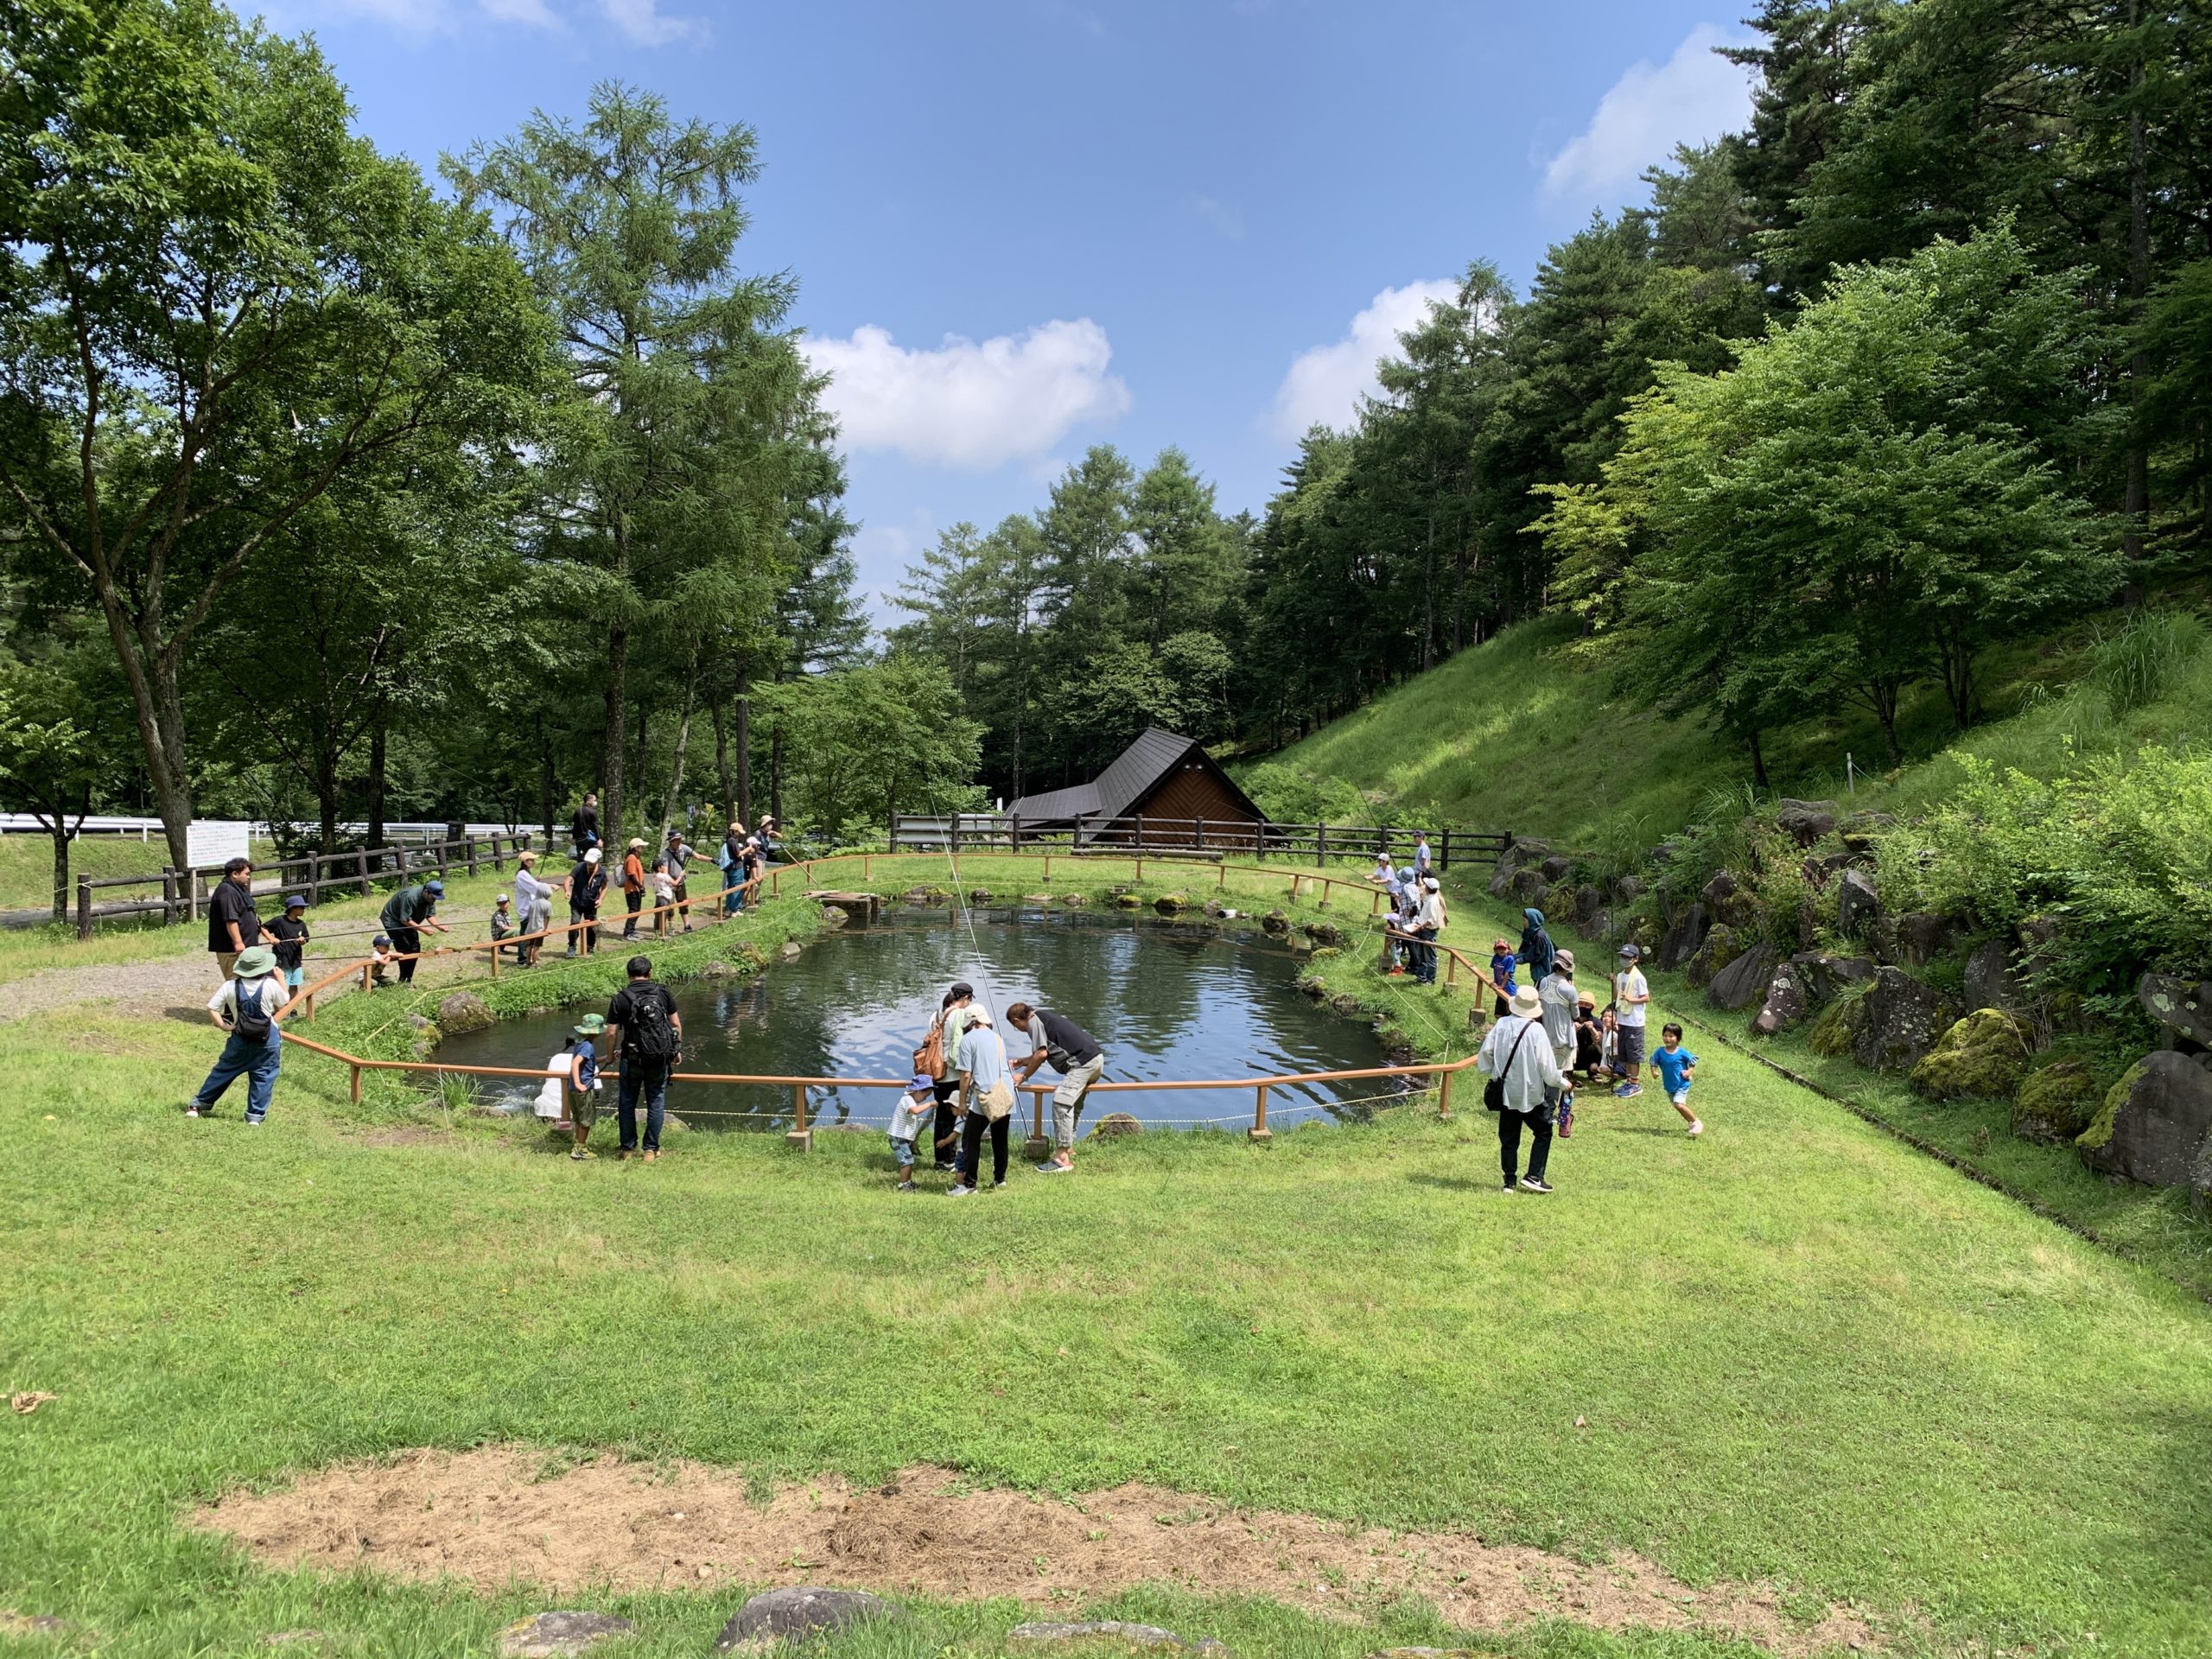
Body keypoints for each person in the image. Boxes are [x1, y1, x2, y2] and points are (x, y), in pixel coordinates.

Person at [1478, 983, 1567, 1195]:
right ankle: (1534, 1176)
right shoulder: (1536, 1030)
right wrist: (1561, 1082)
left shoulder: (1501, 1024)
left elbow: (1486, 1052)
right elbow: (1546, 1066)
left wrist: (1493, 1072)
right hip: (1529, 1091)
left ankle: (1509, 1181)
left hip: (1506, 1090)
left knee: (1509, 1137)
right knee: (1543, 1131)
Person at [185, 945, 287, 1123]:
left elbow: (212, 1007)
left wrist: (224, 1026)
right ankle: (254, 1117)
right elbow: (284, 1001)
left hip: (240, 1037)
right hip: (267, 1040)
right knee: (264, 1076)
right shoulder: (270, 984)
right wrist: (281, 979)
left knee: (223, 1071)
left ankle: (198, 1105)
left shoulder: (230, 986)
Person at [1005, 1001, 1105, 1173]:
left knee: (1061, 1102)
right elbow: (1045, 1052)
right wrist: (1022, 1061)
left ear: (1017, 1021)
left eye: (1015, 1027)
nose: (1018, 1029)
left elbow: (1041, 1054)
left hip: (1083, 1063)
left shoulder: (1033, 1022)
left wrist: (1023, 1076)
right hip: (1095, 1060)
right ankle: (1068, 1148)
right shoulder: (1043, 1017)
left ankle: (1062, 1159)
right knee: (1072, 1104)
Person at [605, 955, 683, 1162]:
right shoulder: (663, 992)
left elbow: (611, 1032)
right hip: (658, 1059)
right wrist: (675, 1050)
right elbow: (676, 1025)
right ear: (650, 973)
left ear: (628, 974)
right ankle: (650, 1150)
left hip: (631, 1059)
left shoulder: (620, 998)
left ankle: (627, 1150)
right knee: (655, 1102)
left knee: (627, 1103)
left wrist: (610, 1055)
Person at [950, 1008, 1014, 1195]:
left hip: (985, 1095)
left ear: (971, 1022)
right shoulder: (997, 1038)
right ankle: (1000, 1179)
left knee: (970, 1139)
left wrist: (962, 1102)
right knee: (1000, 1138)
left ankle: (969, 1185)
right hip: (1005, 1092)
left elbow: (966, 1075)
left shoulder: (968, 1039)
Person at [925, 982, 979, 1172]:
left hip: (936, 1072)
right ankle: (949, 1160)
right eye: (969, 1000)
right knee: (953, 1117)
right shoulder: (960, 1015)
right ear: (966, 998)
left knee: (941, 1115)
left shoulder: (936, 1015)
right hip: (952, 1074)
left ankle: (940, 1159)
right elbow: (962, 1044)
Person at [1537, 948, 1579, 1138]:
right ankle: (1550, 1112)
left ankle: (1540, 1107)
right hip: (1563, 1037)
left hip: (1544, 1034)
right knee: (1558, 1076)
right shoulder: (1569, 989)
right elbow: (1575, 1014)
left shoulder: (1543, 981)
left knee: (1544, 1072)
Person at [378, 877, 449, 985]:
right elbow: (405, 920)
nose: (434, 900)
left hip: (409, 921)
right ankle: (403, 981)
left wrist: (439, 926)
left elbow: (430, 915)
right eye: (433, 897)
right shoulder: (410, 897)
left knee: (415, 948)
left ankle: (408, 979)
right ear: (426, 892)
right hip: (393, 921)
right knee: (405, 950)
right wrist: (423, 929)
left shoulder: (430, 899)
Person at [207, 855, 262, 982]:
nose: (249, 877)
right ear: (235, 874)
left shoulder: (238, 890)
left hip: (245, 948)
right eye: (246, 874)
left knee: (249, 983)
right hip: (232, 951)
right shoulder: (227, 892)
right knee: (236, 983)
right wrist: (238, 942)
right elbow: (230, 919)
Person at [562, 1014, 606, 1159]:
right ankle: (580, 1149)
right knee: (586, 1120)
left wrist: (607, 1058)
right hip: (583, 1089)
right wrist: (579, 1083)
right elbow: (575, 1063)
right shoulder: (587, 1046)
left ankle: (578, 1145)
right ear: (595, 1032)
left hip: (573, 1089)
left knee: (578, 1119)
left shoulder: (580, 1043)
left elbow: (589, 1061)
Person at [1611, 944, 1652, 1098]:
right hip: (1623, 1019)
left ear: (1635, 959)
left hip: (1635, 1022)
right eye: (1623, 956)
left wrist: (1631, 999)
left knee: (1634, 1054)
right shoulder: (1621, 975)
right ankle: (1629, 1081)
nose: (1624, 959)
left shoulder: (1639, 978)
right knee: (1625, 1054)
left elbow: (1646, 997)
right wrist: (1613, 982)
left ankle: (1635, 1084)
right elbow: (1616, 996)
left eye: (1628, 957)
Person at [1652, 1023, 1704, 1136]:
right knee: (1679, 1106)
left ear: (1678, 1038)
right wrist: (1654, 1071)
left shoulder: (1682, 1052)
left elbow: (1692, 1062)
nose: (1667, 1038)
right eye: (1665, 1035)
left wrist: (1689, 1072)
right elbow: (1653, 1062)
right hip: (1670, 1086)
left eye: (1671, 1036)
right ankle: (1691, 1122)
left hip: (1682, 1083)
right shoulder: (1660, 1052)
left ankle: (1696, 1123)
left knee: (1678, 1104)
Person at [532, 1029, 590, 1129]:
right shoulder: (584, 1059)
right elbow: (596, 1087)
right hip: (571, 1109)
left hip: (547, 1106)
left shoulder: (555, 1057)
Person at [889, 1072, 937, 1192]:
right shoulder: (907, 1099)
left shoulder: (911, 1100)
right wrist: (930, 1104)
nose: (925, 1099)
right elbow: (915, 1111)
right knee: (906, 1161)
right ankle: (902, 1185)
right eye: (925, 1096)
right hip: (898, 1136)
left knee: (910, 1160)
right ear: (918, 1091)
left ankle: (908, 1182)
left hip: (903, 1137)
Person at [512, 850, 556, 967]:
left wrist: (535, 880)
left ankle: (530, 958)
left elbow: (532, 885)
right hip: (526, 910)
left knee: (531, 936)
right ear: (525, 862)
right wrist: (550, 885)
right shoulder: (522, 874)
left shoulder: (525, 873)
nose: (534, 862)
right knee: (526, 936)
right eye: (531, 860)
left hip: (530, 909)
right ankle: (522, 959)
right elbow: (536, 888)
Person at [266, 893, 311, 995]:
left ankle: (292, 1004)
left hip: (296, 959)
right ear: (293, 908)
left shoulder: (301, 924)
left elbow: (306, 938)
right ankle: (282, 1004)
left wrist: (302, 941)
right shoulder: (279, 921)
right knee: (282, 985)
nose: (304, 909)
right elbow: (263, 928)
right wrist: (271, 938)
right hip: (282, 959)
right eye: (302, 907)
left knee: (294, 985)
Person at [565, 846, 605, 957]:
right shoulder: (579, 867)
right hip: (577, 902)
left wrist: (600, 899)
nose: (589, 864)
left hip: (591, 904)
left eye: (591, 862)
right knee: (574, 923)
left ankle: (590, 947)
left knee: (591, 926)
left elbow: (605, 887)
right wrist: (567, 890)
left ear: (598, 861)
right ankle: (572, 946)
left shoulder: (601, 871)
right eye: (588, 861)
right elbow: (568, 880)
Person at [1413, 875, 1446, 986]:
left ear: (1427, 888)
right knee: (1421, 954)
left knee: (1430, 956)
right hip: (1423, 929)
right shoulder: (1429, 898)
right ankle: (1421, 976)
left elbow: (1432, 919)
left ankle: (1430, 979)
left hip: (1428, 931)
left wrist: (1420, 926)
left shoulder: (1432, 901)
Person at [659, 830, 695, 931]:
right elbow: (665, 873)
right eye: (677, 839)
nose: (679, 841)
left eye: (680, 839)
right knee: (670, 905)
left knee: (683, 903)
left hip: (681, 883)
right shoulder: (666, 854)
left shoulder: (683, 848)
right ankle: (671, 926)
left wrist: (712, 860)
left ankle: (687, 925)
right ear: (671, 841)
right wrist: (673, 883)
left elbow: (698, 856)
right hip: (669, 885)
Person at [618, 837, 651, 940]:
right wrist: (640, 886)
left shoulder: (636, 858)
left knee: (637, 910)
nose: (643, 849)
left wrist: (641, 887)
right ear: (636, 848)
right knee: (634, 911)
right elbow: (631, 875)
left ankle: (631, 930)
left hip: (636, 889)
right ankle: (627, 933)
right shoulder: (631, 858)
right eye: (642, 847)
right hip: (632, 889)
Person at [1519, 906, 1556, 988]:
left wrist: (1520, 960)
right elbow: (1524, 949)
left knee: (1540, 989)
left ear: (1532, 921)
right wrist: (1513, 957)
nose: (1523, 923)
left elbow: (1536, 955)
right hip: (1536, 970)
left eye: (1524, 920)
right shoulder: (1529, 933)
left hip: (1545, 970)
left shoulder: (1540, 936)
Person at [718, 822, 749, 915]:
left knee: (730, 887)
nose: (739, 834)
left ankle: (729, 908)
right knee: (737, 887)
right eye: (738, 832)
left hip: (731, 868)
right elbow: (739, 854)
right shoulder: (733, 841)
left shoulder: (728, 840)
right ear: (734, 831)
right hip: (736, 868)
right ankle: (735, 909)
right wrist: (749, 849)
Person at [1573, 992, 1605, 1081]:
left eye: (1587, 1005)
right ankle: (1567, 1072)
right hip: (1573, 1056)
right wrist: (1572, 1030)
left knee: (1593, 1047)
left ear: (1592, 1007)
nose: (1583, 1006)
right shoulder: (1569, 1020)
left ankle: (1592, 1073)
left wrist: (1592, 1030)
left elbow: (1599, 1040)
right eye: (1581, 1003)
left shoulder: (1596, 1022)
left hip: (1587, 1058)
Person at [1486, 937, 1519, 1021]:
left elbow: (1507, 973)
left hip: (1508, 988)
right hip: (1500, 987)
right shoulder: (1496, 957)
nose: (1501, 950)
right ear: (1496, 950)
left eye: (1504, 948)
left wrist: (1502, 986)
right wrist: (1495, 982)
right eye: (1499, 948)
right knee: (1498, 1014)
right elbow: (1495, 970)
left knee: (1508, 1012)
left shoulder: (1510, 959)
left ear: (1508, 949)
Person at [569, 792, 600, 857]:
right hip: (590, 840)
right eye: (594, 800)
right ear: (589, 801)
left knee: (581, 858)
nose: (595, 802)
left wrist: (574, 838)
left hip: (579, 840)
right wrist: (599, 839)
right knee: (591, 858)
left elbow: (575, 826)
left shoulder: (577, 811)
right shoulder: (593, 812)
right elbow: (595, 827)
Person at [490, 892, 516, 958]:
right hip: (499, 936)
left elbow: (510, 926)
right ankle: (499, 947)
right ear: (498, 905)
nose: (503, 905)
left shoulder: (506, 913)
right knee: (517, 931)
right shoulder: (497, 915)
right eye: (501, 903)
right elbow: (504, 928)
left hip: (504, 934)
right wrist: (515, 929)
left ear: (509, 902)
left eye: (505, 902)